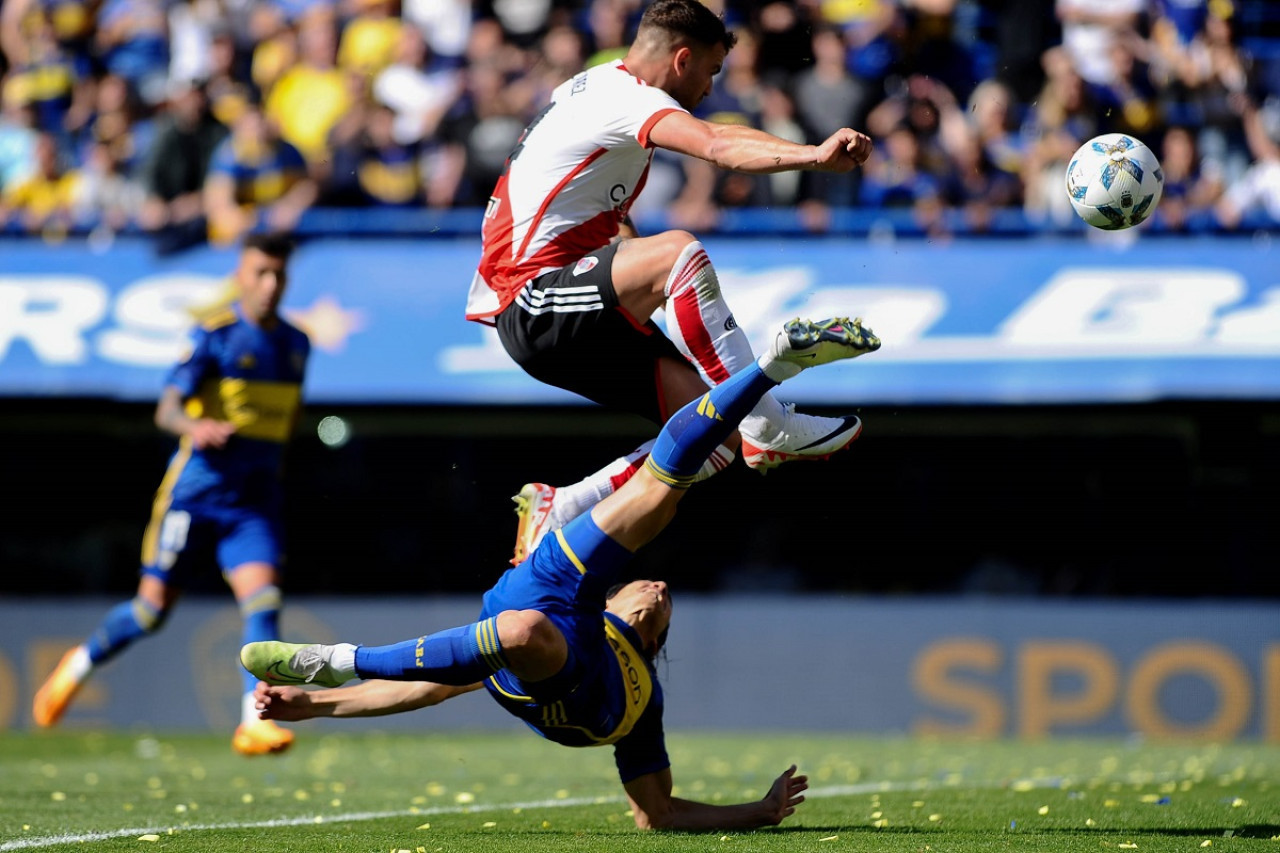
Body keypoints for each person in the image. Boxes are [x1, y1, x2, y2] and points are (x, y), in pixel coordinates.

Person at [242, 315, 880, 830]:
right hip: (554, 595)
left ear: (652, 640)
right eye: (656, 591)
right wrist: (314, 709)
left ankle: (338, 658)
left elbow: (655, 814)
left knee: (521, 636)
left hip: (562, 671)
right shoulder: (601, 602)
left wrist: (758, 813)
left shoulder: (641, 703)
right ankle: (773, 364)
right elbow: (429, 683)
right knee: (667, 483)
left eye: (658, 606)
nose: (658, 589)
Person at [463, 0, 874, 562]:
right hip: (532, 297)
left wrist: (640, 278)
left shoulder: (594, 85)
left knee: (714, 438)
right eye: (710, 71)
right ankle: (768, 423)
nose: (709, 87)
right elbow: (717, 144)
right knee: (679, 252)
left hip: (562, 307)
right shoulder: (628, 99)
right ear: (682, 59)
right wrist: (814, 156)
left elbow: (604, 217)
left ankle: (562, 507)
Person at [33, 232, 311, 757]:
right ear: (241, 275)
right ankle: (78, 664)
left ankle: (254, 721)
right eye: (261, 273)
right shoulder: (216, 335)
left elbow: (290, 414)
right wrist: (196, 426)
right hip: (195, 498)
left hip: (251, 504)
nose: (270, 285)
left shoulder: (296, 344)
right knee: (150, 613)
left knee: (264, 603)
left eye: (279, 275)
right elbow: (166, 409)